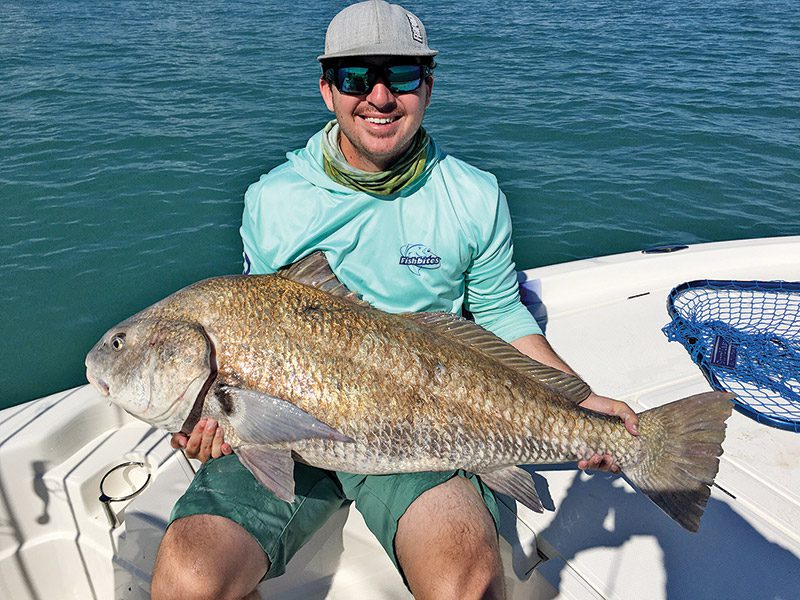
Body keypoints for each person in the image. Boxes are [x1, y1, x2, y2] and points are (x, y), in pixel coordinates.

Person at [151, 2, 639, 599]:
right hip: (280, 431)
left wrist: (585, 401)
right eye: (357, 78)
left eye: (402, 76)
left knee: (466, 580)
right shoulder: (273, 200)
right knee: (188, 578)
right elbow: (258, 326)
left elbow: (501, 315)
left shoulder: (473, 197)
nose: (380, 97)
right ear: (327, 88)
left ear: (428, 86)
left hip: (419, 420)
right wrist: (211, 422)